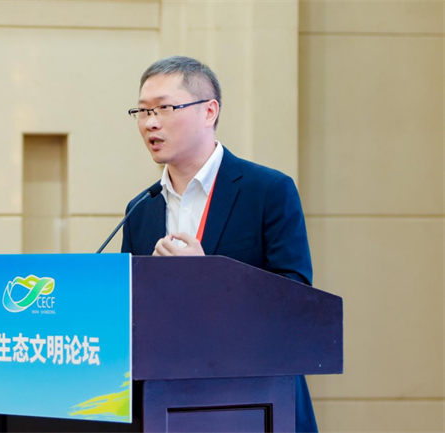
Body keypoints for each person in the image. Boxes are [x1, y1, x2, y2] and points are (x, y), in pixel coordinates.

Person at [121, 56, 318, 433]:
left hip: (255, 403)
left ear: (209, 111)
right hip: (165, 405)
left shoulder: (268, 191)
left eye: (164, 108)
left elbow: (297, 303)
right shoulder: (140, 209)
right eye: (142, 111)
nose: (150, 123)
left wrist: (208, 277)